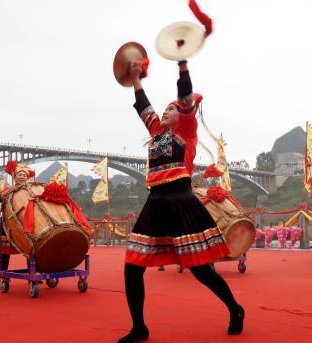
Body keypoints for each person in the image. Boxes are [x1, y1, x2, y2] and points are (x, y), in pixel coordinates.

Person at [118, 60, 244, 343]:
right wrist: (136, 78)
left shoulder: (186, 132)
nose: (165, 111)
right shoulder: (156, 133)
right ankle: (139, 327)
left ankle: (235, 309)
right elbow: (143, 106)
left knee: (200, 269)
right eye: (165, 109)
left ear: (183, 115)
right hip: (156, 202)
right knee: (132, 266)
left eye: (171, 109)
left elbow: (185, 96)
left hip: (180, 200)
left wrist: (182, 64)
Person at [0, 161, 35, 271]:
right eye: (20, 175)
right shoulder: (9, 189)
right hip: (8, 222)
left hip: (27, 221)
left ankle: (32, 274)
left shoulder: (30, 190)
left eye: (24, 175)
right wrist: (10, 191)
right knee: (4, 250)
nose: (22, 177)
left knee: (31, 248)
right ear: (14, 176)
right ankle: (3, 275)